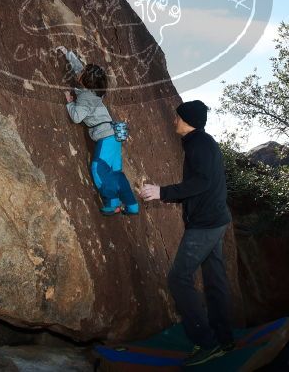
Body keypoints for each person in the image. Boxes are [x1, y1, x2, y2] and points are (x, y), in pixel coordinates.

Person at [140, 100, 235, 367]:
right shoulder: (203, 142)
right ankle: (224, 337)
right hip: (215, 221)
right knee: (215, 279)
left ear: (188, 120)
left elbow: (202, 182)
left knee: (178, 278)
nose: (174, 121)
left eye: (177, 118)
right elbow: (205, 182)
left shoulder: (198, 144)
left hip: (205, 225)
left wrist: (162, 193)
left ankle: (207, 343)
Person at [57, 46, 139, 216]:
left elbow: (77, 117)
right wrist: (67, 54)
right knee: (116, 173)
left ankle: (111, 203)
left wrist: (69, 102)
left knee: (98, 168)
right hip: (114, 136)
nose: (79, 73)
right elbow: (81, 69)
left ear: (86, 82)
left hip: (106, 138)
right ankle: (131, 205)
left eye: (82, 75)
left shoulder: (86, 98)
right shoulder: (96, 89)